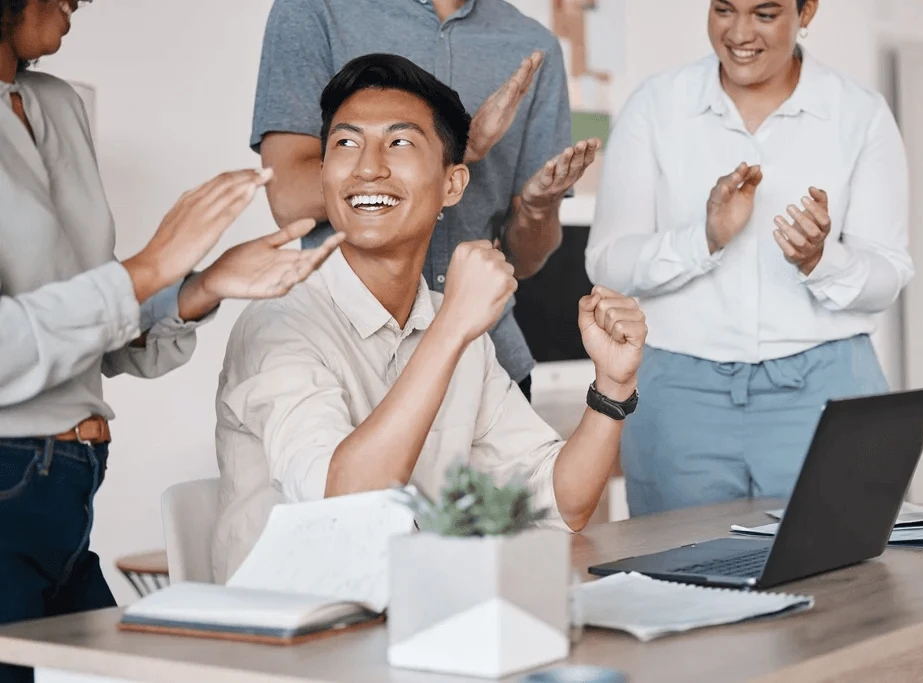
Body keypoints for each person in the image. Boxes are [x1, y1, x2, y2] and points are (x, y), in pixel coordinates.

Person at [0, 1, 341, 676]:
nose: (79, 0)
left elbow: (86, 324)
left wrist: (200, 285)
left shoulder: (56, 105)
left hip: (68, 492)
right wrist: (150, 266)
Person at [212, 54, 645, 583]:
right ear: (325, 174)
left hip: (413, 625)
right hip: (289, 644)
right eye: (345, 144)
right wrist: (453, 328)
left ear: (453, 185)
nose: (368, 166)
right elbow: (343, 503)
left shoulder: (454, 326)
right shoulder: (278, 325)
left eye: (399, 143)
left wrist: (612, 387)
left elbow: (561, 502)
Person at [585, 0, 913, 515]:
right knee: (681, 576)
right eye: (723, 10)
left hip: (825, 388)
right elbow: (607, 263)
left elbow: (888, 275)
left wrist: (819, 260)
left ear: (807, 13)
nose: (739, 33)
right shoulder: (657, 104)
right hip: (681, 397)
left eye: (765, 14)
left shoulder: (859, 113)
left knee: (845, 582)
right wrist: (705, 237)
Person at [251, 0, 602, 402]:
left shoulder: (533, 45)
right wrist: (454, 150)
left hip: (488, 361)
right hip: (350, 360)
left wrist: (539, 208)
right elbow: (288, 197)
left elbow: (524, 261)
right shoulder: (313, 11)